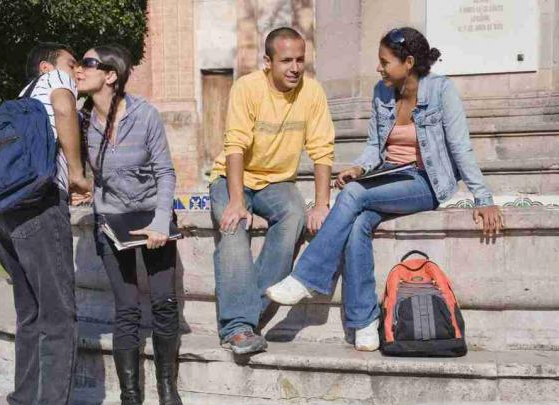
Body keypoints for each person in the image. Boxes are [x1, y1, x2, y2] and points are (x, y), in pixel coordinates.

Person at [266, 27, 504, 352]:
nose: (379, 68)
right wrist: (360, 168)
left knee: (352, 195)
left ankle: (306, 278)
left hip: (426, 182)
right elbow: (375, 147)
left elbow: (461, 148)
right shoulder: (382, 91)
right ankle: (364, 323)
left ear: (408, 62)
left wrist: (483, 198)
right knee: (358, 222)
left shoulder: (441, 91)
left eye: (384, 62)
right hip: (388, 177)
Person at [0, 42, 89, 405]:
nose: (76, 71)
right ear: (48, 67)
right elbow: (65, 109)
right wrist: (77, 175)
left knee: (30, 316)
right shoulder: (54, 82)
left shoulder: (20, 99)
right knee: (60, 319)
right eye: (71, 63)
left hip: (1, 215)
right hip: (39, 209)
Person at [209, 27, 335, 355]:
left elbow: (322, 149)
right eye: (286, 61)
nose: (295, 68)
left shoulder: (313, 92)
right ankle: (238, 327)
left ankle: (249, 312)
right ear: (268, 62)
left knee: (294, 215)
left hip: (278, 181)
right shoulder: (247, 88)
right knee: (233, 227)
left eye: (300, 60)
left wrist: (322, 204)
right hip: (231, 176)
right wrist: (237, 201)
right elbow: (235, 144)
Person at [75, 44, 183, 405]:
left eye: (87, 63)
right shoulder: (79, 119)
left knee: (165, 304)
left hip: (150, 216)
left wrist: (159, 222)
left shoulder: (145, 115)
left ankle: (168, 388)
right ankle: (130, 398)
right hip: (111, 221)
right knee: (127, 309)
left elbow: (165, 173)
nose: (79, 69)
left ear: (110, 75)